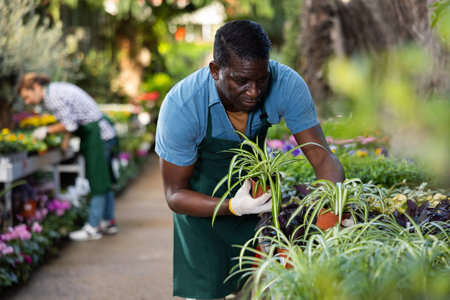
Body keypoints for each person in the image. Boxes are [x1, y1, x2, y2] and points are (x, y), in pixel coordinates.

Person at [155, 20, 345, 299]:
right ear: (215, 71)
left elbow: (323, 158)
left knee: (261, 288)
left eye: (261, 79)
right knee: (208, 291)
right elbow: (175, 195)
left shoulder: (287, 85)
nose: (254, 92)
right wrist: (233, 206)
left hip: (257, 203)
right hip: (200, 209)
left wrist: (331, 209)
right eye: (241, 81)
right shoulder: (182, 107)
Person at [17, 73, 119, 241]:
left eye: (27, 97)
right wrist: (66, 140)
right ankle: (108, 221)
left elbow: (69, 124)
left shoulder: (52, 97)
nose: (27, 102)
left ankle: (93, 227)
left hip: (98, 136)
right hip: (102, 134)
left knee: (98, 181)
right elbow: (72, 121)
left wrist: (46, 131)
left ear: (35, 87)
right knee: (104, 179)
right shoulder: (55, 90)